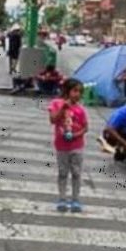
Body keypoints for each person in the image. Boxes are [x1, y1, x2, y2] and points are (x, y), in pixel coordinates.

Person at [49, 79, 89, 212]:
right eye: (75, 91)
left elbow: (85, 127)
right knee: (62, 172)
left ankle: (75, 199)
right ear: (67, 90)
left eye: (80, 92)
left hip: (77, 146)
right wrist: (63, 108)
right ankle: (62, 198)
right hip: (61, 146)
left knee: (76, 173)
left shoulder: (80, 109)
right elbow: (53, 119)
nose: (77, 94)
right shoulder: (56, 103)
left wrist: (76, 134)